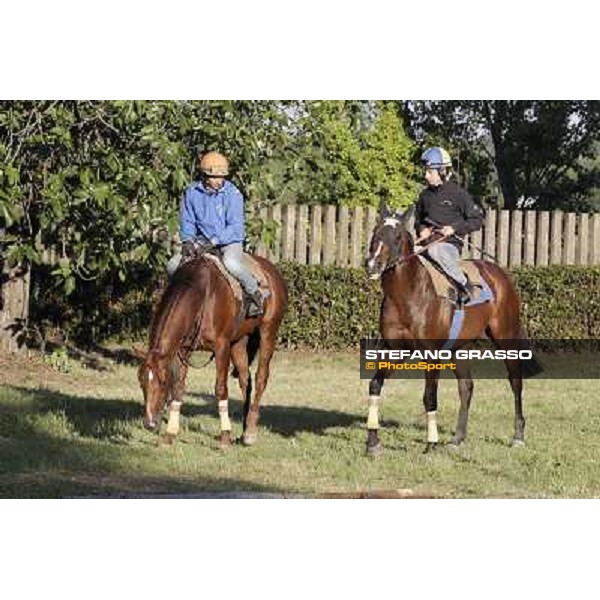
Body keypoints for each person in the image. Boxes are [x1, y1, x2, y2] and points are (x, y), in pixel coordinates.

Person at [168, 150, 267, 316]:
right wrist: (188, 241)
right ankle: (177, 303)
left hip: (229, 241)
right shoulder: (191, 193)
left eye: (222, 177)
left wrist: (213, 242)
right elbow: (188, 221)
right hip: (202, 240)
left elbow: (235, 227)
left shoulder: (233, 194)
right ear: (204, 175)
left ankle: (255, 293)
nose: (219, 181)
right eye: (214, 177)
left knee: (231, 264)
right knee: (172, 265)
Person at [414, 147, 484, 306]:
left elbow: (477, 220)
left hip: (448, 246)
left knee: (435, 250)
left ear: (443, 171)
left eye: (430, 172)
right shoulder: (424, 196)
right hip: (426, 244)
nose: (425, 176)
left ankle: (465, 285)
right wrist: (421, 230)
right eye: (425, 171)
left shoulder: (459, 194)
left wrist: (453, 228)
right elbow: (418, 220)